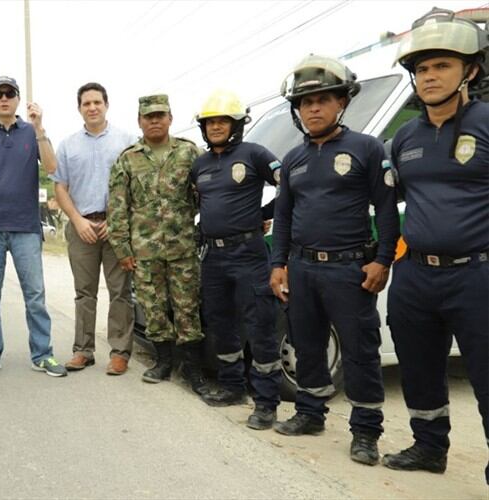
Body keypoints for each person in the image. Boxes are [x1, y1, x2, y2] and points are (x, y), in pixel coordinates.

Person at [269, 55, 399, 466]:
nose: (314, 109)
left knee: (360, 351)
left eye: (323, 100)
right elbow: (284, 216)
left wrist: (382, 261)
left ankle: (365, 433)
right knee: (307, 346)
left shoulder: (366, 148)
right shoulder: (293, 160)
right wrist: (278, 264)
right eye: (305, 103)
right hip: (303, 269)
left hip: (349, 269)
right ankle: (310, 413)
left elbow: (388, 210)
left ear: (342, 102)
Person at [383, 8, 488, 482]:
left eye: (442, 65)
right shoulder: (405, 136)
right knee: (419, 369)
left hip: (477, 276)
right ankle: (429, 448)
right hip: (416, 277)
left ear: (470, 70)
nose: (429, 76)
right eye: (422, 68)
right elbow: (390, 200)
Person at [0, 76, 65, 379]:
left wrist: (40, 127)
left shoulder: (31, 132)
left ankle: (43, 354)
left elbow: (51, 167)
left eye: (9, 94)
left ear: (18, 99)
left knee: (35, 295)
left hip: (26, 228)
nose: (4, 98)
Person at [191, 89, 282, 429]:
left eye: (222, 121)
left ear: (236, 124)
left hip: (249, 253)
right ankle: (232, 387)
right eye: (210, 122)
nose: (215, 127)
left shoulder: (254, 154)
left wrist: (266, 213)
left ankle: (266, 403)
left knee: (260, 326)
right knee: (221, 323)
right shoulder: (199, 165)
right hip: (212, 256)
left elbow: (290, 184)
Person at [107, 94, 207, 390]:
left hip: (183, 248)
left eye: (159, 115)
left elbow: (207, 195)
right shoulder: (129, 158)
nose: (154, 121)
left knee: (188, 307)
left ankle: (192, 368)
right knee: (154, 308)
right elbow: (117, 207)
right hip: (145, 250)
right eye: (148, 116)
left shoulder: (190, 153)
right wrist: (122, 249)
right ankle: (163, 361)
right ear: (139, 121)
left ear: (170, 119)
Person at [53, 82, 136, 375]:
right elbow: (60, 187)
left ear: (106, 105)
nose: (92, 108)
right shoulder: (68, 145)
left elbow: (135, 186)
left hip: (118, 227)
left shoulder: (127, 140)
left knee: (120, 292)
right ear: (79, 109)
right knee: (84, 293)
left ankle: (119, 353)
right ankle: (83, 351)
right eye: (86, 103)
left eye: (97, 102)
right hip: (82, 226)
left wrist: (115, 222)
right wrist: (77, 220)